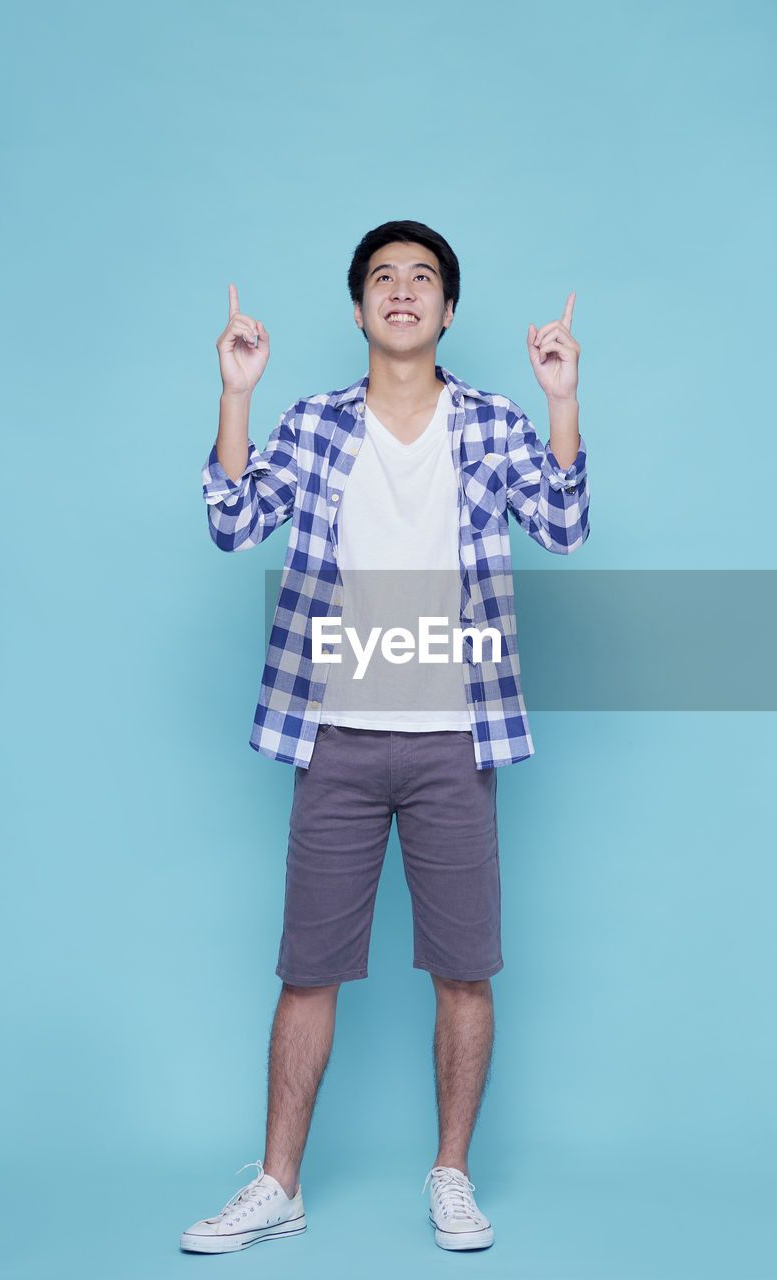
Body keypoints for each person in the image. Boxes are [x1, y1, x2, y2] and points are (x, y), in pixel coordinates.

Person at [179, 220, 590, 1257]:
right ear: (358, 307)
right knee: (307, 967)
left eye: (422, 279)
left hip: (455, 733)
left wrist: (558, 399)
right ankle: (278, 1183)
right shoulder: (316, 423)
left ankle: (449, 1172)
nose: (401, 291)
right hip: (338, 735)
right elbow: (232, 520)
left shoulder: (491, 421)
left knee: (463, 966)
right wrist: (235, 394)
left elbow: (562, 523)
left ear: (448, 310)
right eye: (381, 278)